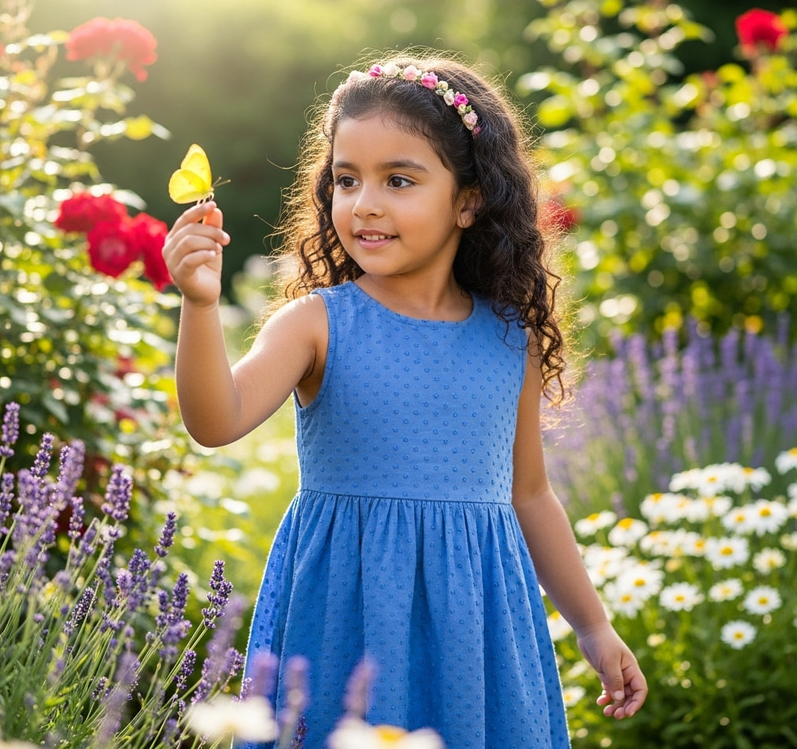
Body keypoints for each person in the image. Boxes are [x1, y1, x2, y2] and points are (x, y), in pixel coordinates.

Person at [163, 52, 647, 749]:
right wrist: (200, 306)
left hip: (479, 631)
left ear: (469, 199)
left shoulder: (509, 340)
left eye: (399, 179)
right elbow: (216, 420)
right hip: (345, 620)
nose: (366, 204)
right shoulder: (317, 323)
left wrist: (594, 626)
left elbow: (531, 495)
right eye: (347, 179)